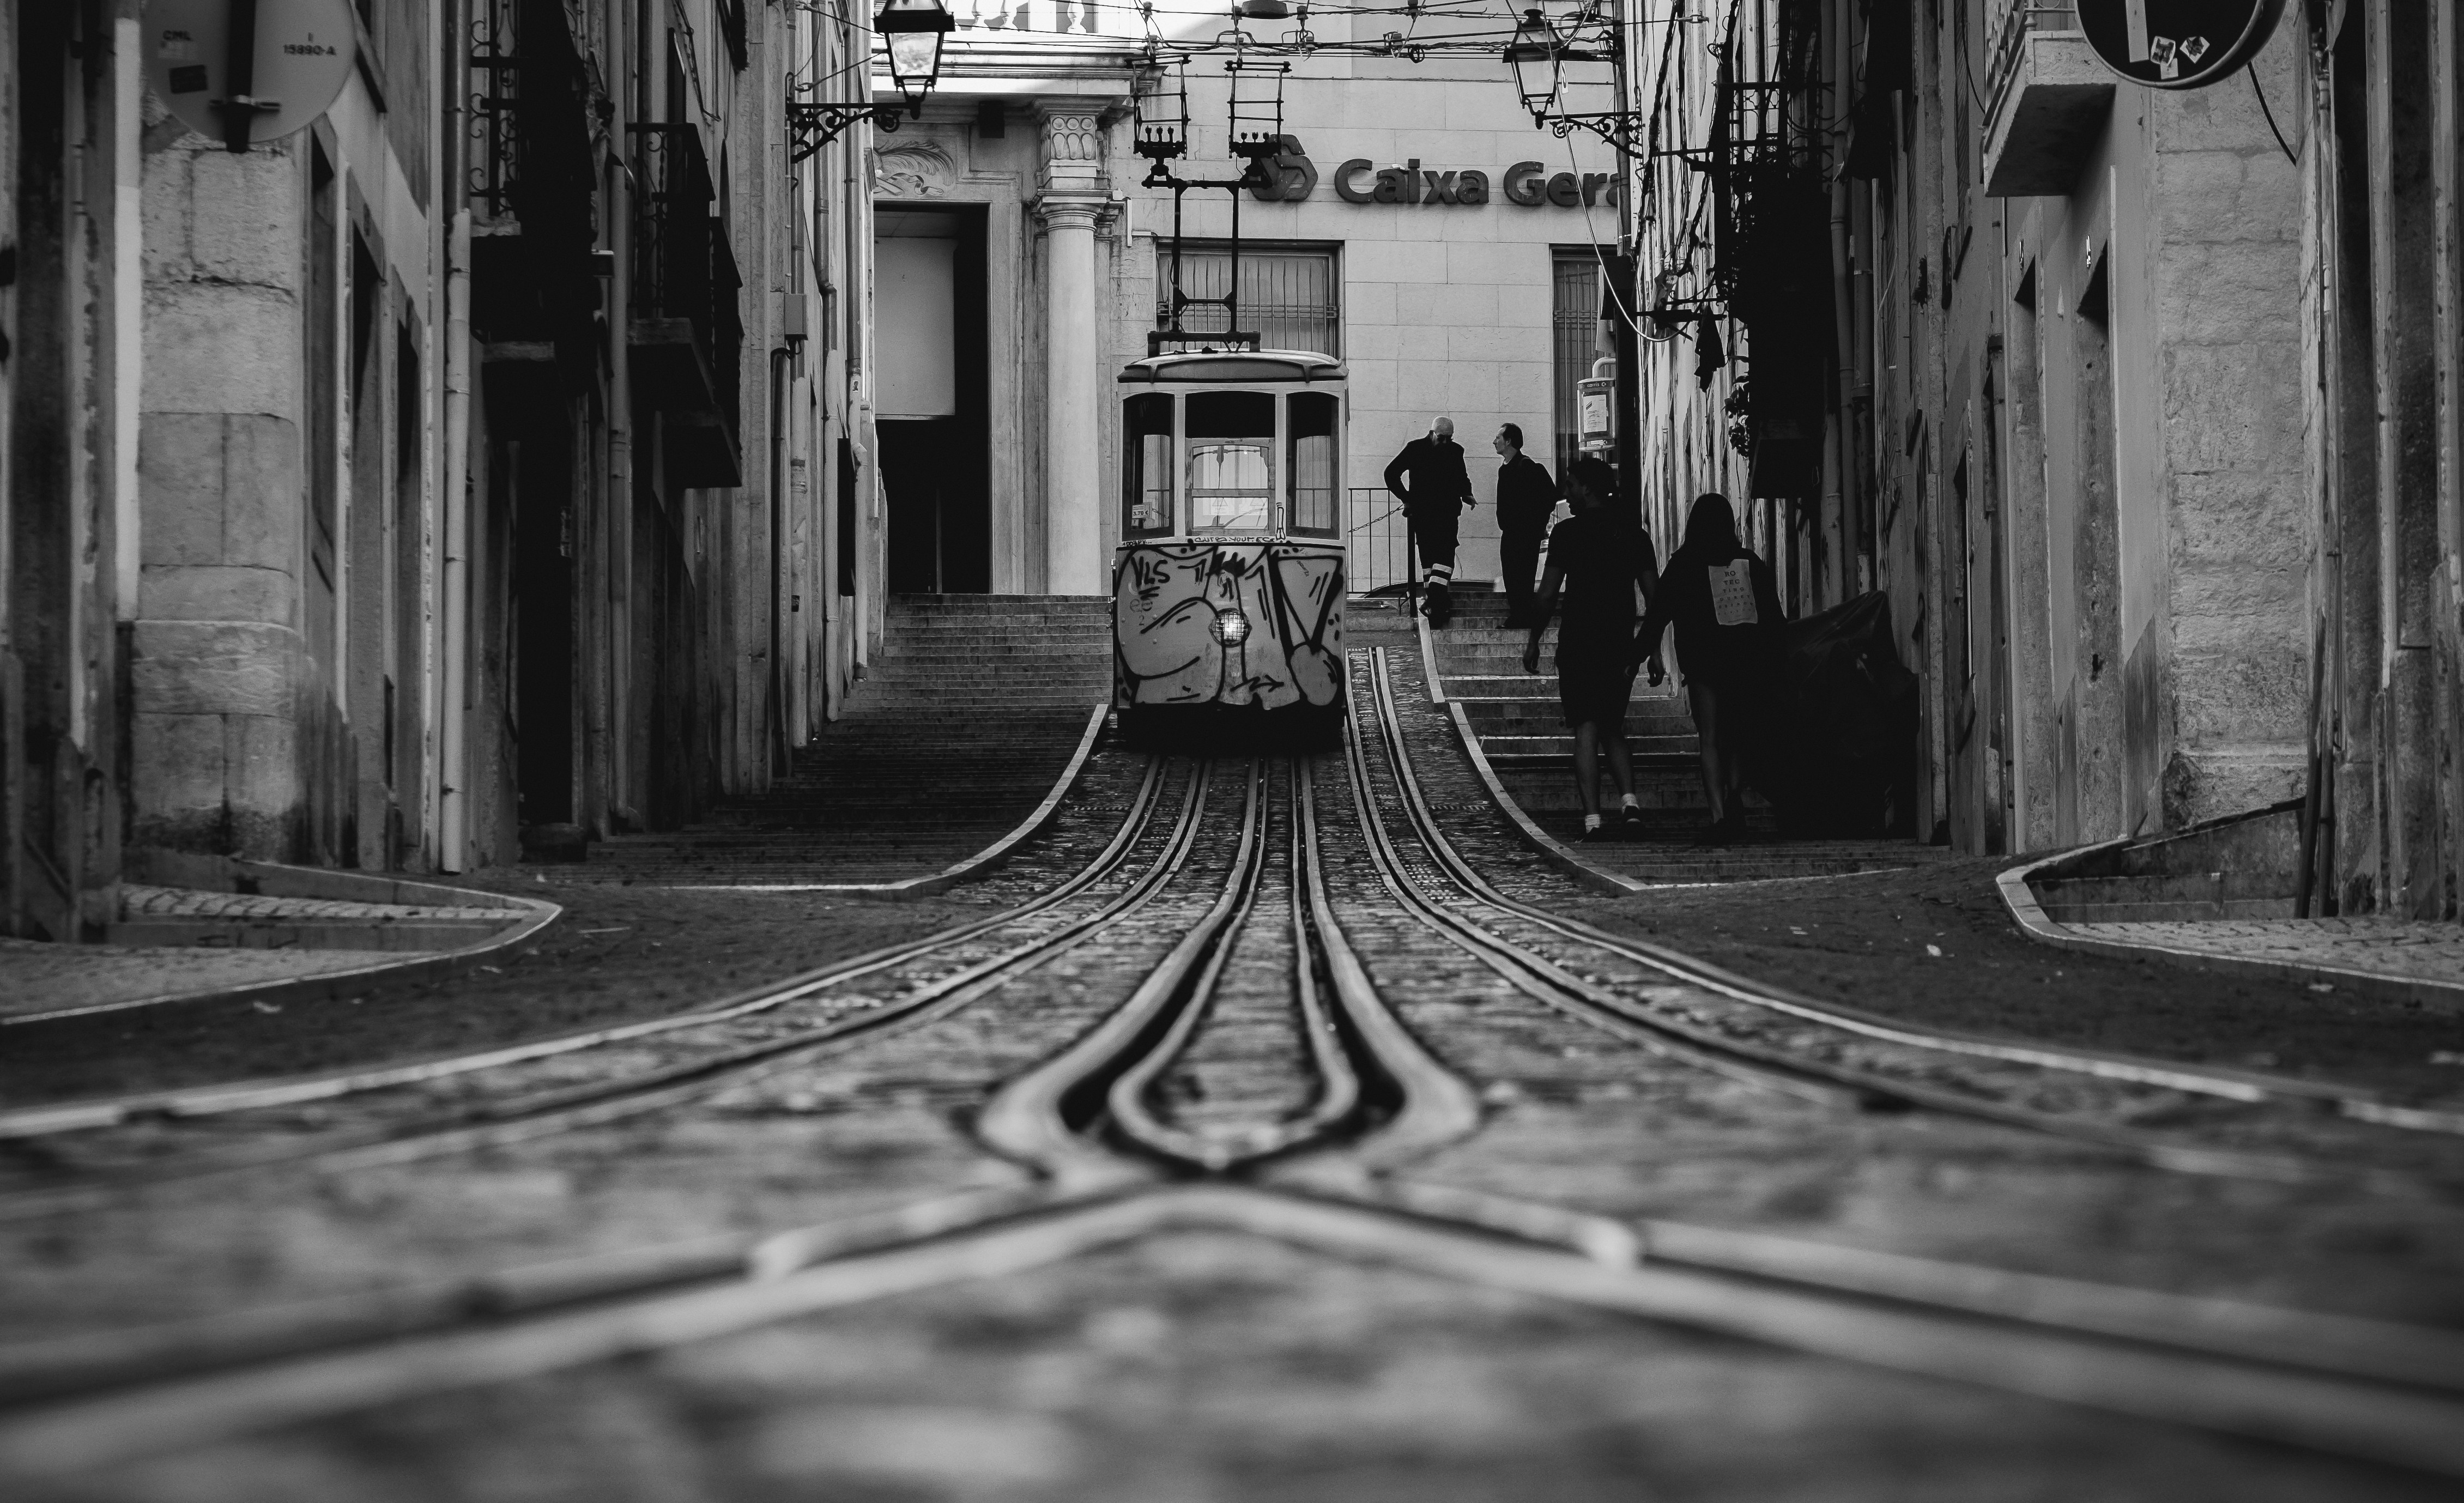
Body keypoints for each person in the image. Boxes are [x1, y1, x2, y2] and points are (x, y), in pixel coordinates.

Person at [1522, 457, 1661, 840]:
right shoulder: (1633, 533)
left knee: (1585, 726)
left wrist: (1534, 639)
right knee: (1612, 726)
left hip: (1579, 642)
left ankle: (1593, 819)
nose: (1565, 494)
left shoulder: (1567, 534)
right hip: (1619, 644)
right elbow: (1655, 598)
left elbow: (1547, 594)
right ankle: (1630, 804)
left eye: (1569, 486)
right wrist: (1652, 650)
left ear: (1586, 488)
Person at [1635, 492, 1785, 844]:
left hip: (1702, 662)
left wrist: (1640, 654)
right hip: (1743, 661)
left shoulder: (1684, 562)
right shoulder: (1747, 562)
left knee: (1710, 739)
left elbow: (1659, 612)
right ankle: (1734, 795)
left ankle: (1719, 816)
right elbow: (1773, 617)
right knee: (1736, 736)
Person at [1382, 416, 1475, 627]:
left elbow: (1462, 477)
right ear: (1432, 433)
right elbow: (1390, 473)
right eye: (1442, 438)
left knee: (1443, 558)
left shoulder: (1455, 451)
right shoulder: (1415, 448)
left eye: (1449, 439)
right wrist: (1406, 498)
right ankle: (1436, 604)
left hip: (1446, 513)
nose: (1446, 443)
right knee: (1430, 562)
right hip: (1424, 515)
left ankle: (1434, 604)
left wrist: (1467, 494)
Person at [1491, 423, 1558, 629]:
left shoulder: (1527, 466)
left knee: (1522, 575)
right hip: (1511, 533)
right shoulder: (1506, 469)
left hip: (1524, 534)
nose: (1495, 441)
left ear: (1509, 440)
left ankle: (1522, 616)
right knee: (1511, 574)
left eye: (1498, 437)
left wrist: (1535, 523)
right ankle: (1519, 614)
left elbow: (1551, 495)